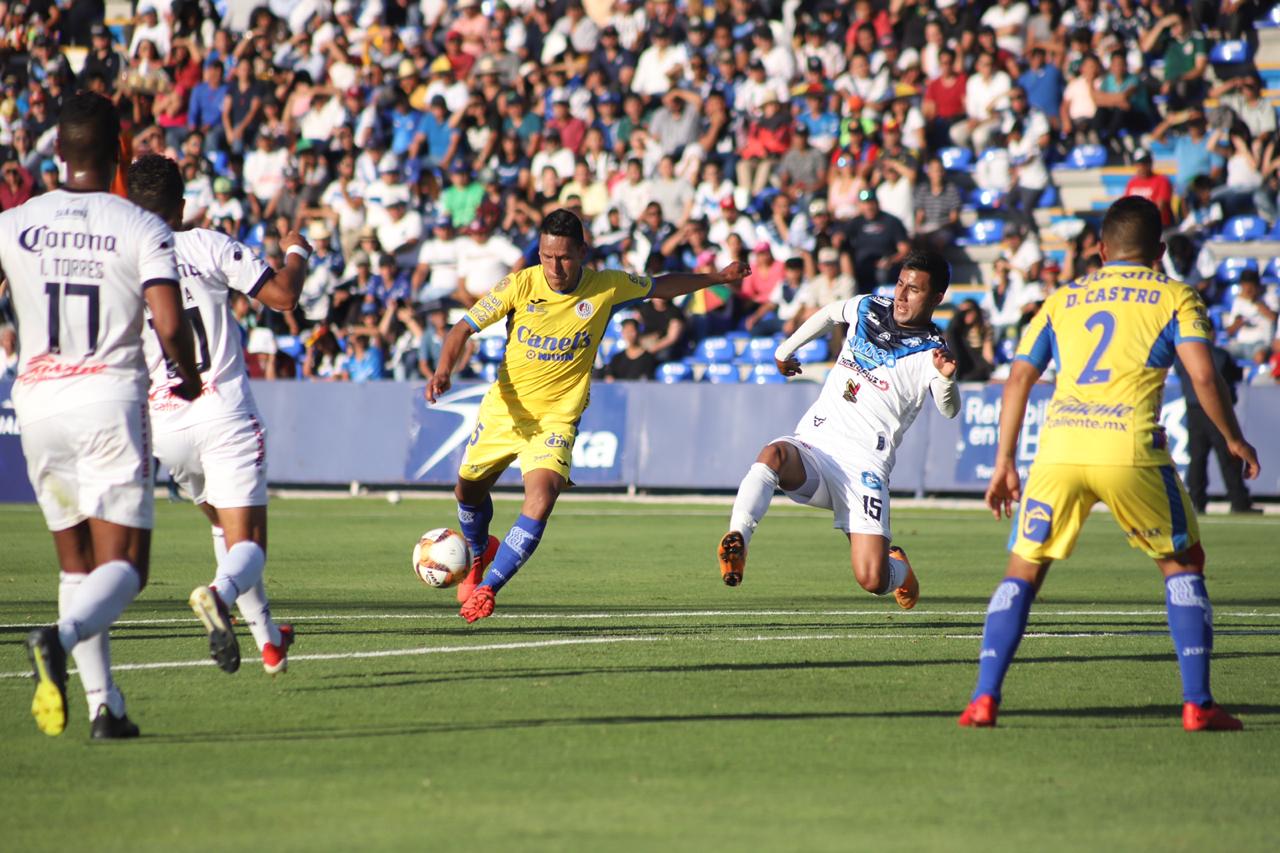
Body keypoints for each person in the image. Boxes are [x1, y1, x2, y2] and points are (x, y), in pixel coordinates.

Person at [959, 196, 1260, 731]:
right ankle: (1198, 704)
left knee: (1023, 570)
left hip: (1060, 449)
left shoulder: (1062, 298)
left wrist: (1005, 460)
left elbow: (1019, 380)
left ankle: (984, 698)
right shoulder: (1175, 296)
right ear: (1159, 252)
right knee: (1183, 564)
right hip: (1130, 446)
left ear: (1100, 250)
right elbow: (1204, 376)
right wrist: (1233, 439)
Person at [426, 209, 749, 622]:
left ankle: (488, 587)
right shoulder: (519, 284)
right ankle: (476, 557)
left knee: (541, 498)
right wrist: (443, 370)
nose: (554, 267)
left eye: (563, 257)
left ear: (581, 251)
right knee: (467, 492)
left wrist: (717, 278)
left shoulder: (607, 285)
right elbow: (462, 329)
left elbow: (662, 287)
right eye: (546, 257)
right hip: (505, 410)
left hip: (556, 420)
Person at [1, 93, 201, 739]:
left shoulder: (15, 222)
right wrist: (189, 376)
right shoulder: (139, 225)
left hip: (35, 403)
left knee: (75, 565)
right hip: (109, 399)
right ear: (120, 151)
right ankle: (57, 639)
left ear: (55, 151)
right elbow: (169, 323)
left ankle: (103, 705)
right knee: (127, 565)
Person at [127, 153, 308, 678]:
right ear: (180, 205)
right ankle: (217, 595)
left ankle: (270, 643)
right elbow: (284, 297)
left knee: (224, 532)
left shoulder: (123, 263)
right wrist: (296, 250)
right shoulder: (204, 242)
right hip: (223, 412)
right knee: (247, 545)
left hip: (165, 425)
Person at [717, 250, 960, 607]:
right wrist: (785, 350)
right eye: (900, 284)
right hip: (817, 445)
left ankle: (901, 571)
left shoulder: (932, 352)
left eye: (914, 290)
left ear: (936, 298)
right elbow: (830, 313)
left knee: (872, 579)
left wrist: (946, 380)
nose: (902, 296)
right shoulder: (868, 307)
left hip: (864, 467)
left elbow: (949, 410)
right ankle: (737, 538)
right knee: (774, 454)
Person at [1173, 347, 1258, 515]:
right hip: (1216, 408)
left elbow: (1179, 373)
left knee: (1197, 458)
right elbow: (1233, 375)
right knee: (1228, 456)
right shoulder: (1219, 355)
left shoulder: (1182, 355)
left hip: (1193, 409)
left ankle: (1196, 501)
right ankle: (1238, 501)